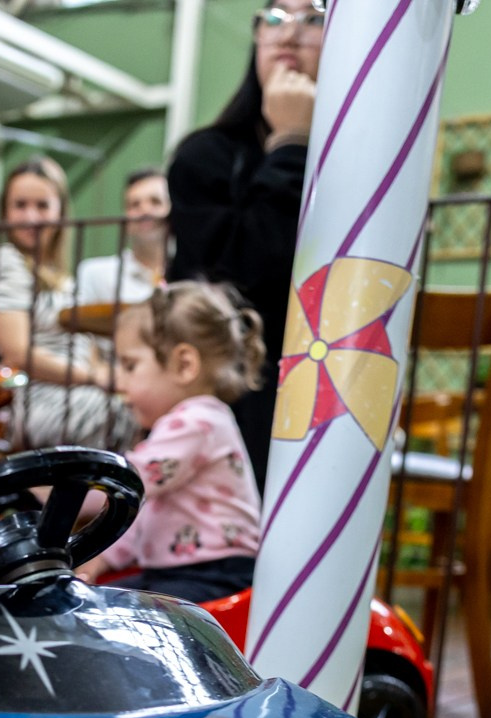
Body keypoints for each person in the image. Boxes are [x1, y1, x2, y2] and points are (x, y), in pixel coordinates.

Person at [167, 0, 323, 487]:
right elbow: (243, 279)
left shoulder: (360, 157)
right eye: (274, 17)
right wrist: (291, 145)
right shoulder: (205, 156)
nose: (289, 34)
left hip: (330, 376)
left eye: (314, 17)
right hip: (236, 390)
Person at [81, 282, 266, 601]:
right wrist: (104, 558)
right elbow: (143, 510)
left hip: (214, 575)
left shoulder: (198, 422)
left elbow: (130, 484)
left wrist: (61, 493)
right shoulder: (185, 426)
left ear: (184, 365)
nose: (119, 382)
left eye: (130, 366)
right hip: (180, 572)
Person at [0, 156, 133, 450]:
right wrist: (94, 378)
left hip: (80, 393)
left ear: (61, 210)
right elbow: (17, 353)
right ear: (5, 212)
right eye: (20, 205)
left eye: (42, 205)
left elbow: (87, 348)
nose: (31, 217)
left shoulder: (60, 275)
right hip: (43, 399)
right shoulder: (7, 263)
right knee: (129, 414)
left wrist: (115, 376)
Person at [73, 167, 170, 311]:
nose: (145, 211)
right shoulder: (95, 275)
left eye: (155, 202)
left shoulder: (193, 277)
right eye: (134, 205)